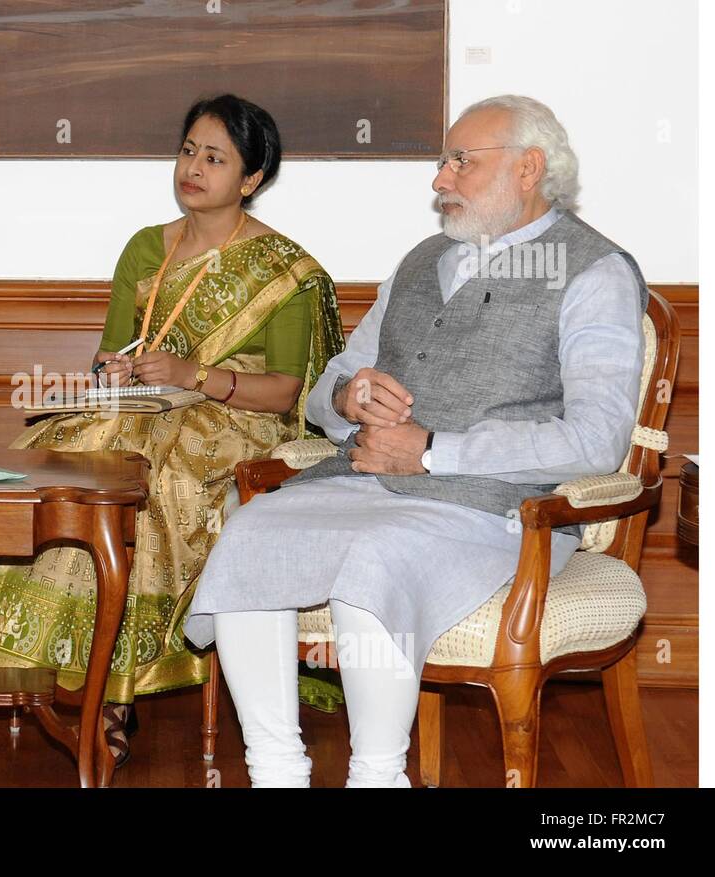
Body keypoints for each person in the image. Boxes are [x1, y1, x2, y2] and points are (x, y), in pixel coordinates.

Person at [185, 95, 649, 787]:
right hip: (364, 484)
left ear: (529, 169)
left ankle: (380, 776)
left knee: (379, 556)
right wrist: (349, 397)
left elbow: (596, 437)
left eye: (462, 161)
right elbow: (327, 389)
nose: (440, 179)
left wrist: (433, 451)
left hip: (499, 509)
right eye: (442, 161)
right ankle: (275, 771)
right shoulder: (424, 260)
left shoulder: (595, 271)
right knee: (254, 527)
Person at [0, 95, 346, 766]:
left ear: (250, 180)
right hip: (141, 411)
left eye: (214, 158)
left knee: (149, 481)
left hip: (235, 426)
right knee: (61, 457)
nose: (193, 167)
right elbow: (112, 350)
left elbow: (284, 390)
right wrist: (115, 370)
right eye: (188, 150)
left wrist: (196, 374)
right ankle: (47, 664)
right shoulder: (146, 247)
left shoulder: (286, 269)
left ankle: (113, 688)